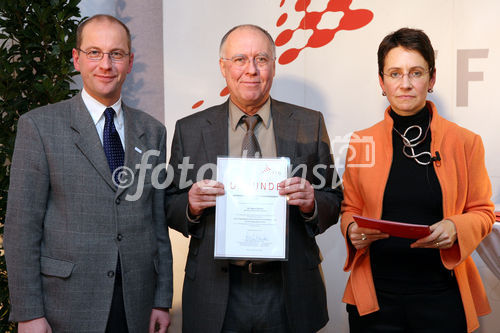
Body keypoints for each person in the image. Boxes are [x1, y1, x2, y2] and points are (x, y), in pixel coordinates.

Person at [166, 24, 343, 333]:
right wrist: (190, 205)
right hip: (216, 287)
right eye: (239, 59)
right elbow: (168, 202)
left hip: (289, 286)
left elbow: (333, 197)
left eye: (261, 59)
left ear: (273, 65)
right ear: (223, 67)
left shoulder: (308, 123)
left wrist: (312, 202)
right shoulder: (190, 129)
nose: (251, 70)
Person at [4, 14, 172, 333]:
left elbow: (157, 223)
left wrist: (161, 300)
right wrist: (28, 313)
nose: (105, 64)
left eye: (116, 54)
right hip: (64, 305)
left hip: (136, 305)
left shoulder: (153, 132)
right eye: (94, 52)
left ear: (130, 62)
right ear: (77, 59)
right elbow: (22, 227)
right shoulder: (39, 127)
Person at [340, 27, 495, 333]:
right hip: (376, 300)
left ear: (431, 79)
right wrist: (352, 230)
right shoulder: (361, 142)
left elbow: (484, 212)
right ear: (381, 82)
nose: (406, 84)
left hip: (442, 296)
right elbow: (349, 208)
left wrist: (456, 226)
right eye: (395, 74)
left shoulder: (466, 142)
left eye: (416, 72)